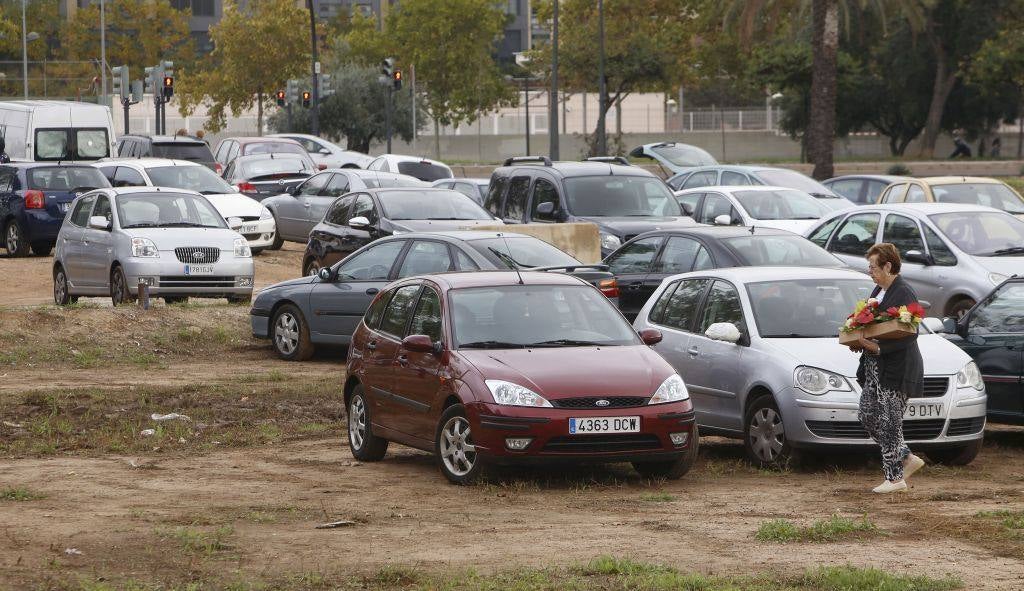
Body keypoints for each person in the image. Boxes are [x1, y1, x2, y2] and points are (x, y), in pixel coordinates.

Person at [848, 243, 926, 494]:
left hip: (896, 367)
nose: (869, 271)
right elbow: (873, 328)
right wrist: (858, 341)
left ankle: (894, 479)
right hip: (874, 367)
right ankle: (905, 457)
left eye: (873, 267)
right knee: (867, 415)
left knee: (890, 422)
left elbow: (909, 333)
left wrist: (878, 348)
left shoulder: (904, 292)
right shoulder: (879, 290)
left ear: (888, 266)